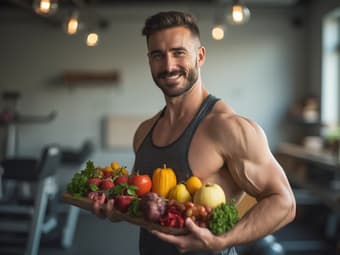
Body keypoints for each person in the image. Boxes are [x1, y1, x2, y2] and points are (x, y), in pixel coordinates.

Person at [93, 10, 296, 255]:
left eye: (179, 53)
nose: (168, 66)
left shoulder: (228, 128)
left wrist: (223, 240)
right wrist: (116, 210)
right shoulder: (144, 131)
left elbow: (284, 203)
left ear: (199, 56)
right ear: (149, 61)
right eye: (158, 55)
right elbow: (148, 208)